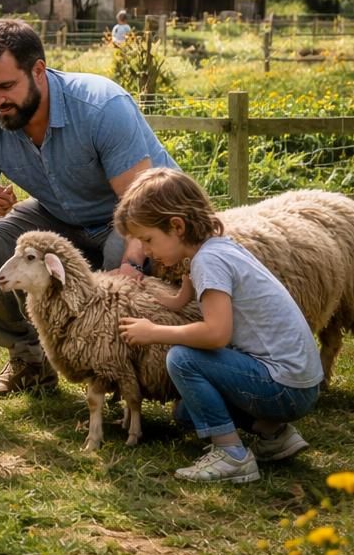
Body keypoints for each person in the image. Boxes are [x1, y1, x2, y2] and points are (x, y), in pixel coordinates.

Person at [0, 18, 178, 399]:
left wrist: (131, 266)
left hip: (139, 215)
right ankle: (30, 359)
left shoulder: (101, 104)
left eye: (5, 86)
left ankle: (131, 370)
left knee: (123, 256)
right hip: (59, 217)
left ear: (38, 70)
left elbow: (143, 204)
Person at [115, 168, 321, 483]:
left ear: (177, 226)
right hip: (300, 380)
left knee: (181, 359)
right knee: (187, 413)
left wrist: (153, 332)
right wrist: (160, 300)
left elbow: (216, 334)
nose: (146, 251)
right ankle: (275, 433)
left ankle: (232, 455)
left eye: (148, 239)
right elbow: (187, 297)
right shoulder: (219, 247)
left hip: (283, 386)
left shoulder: (209, 262)